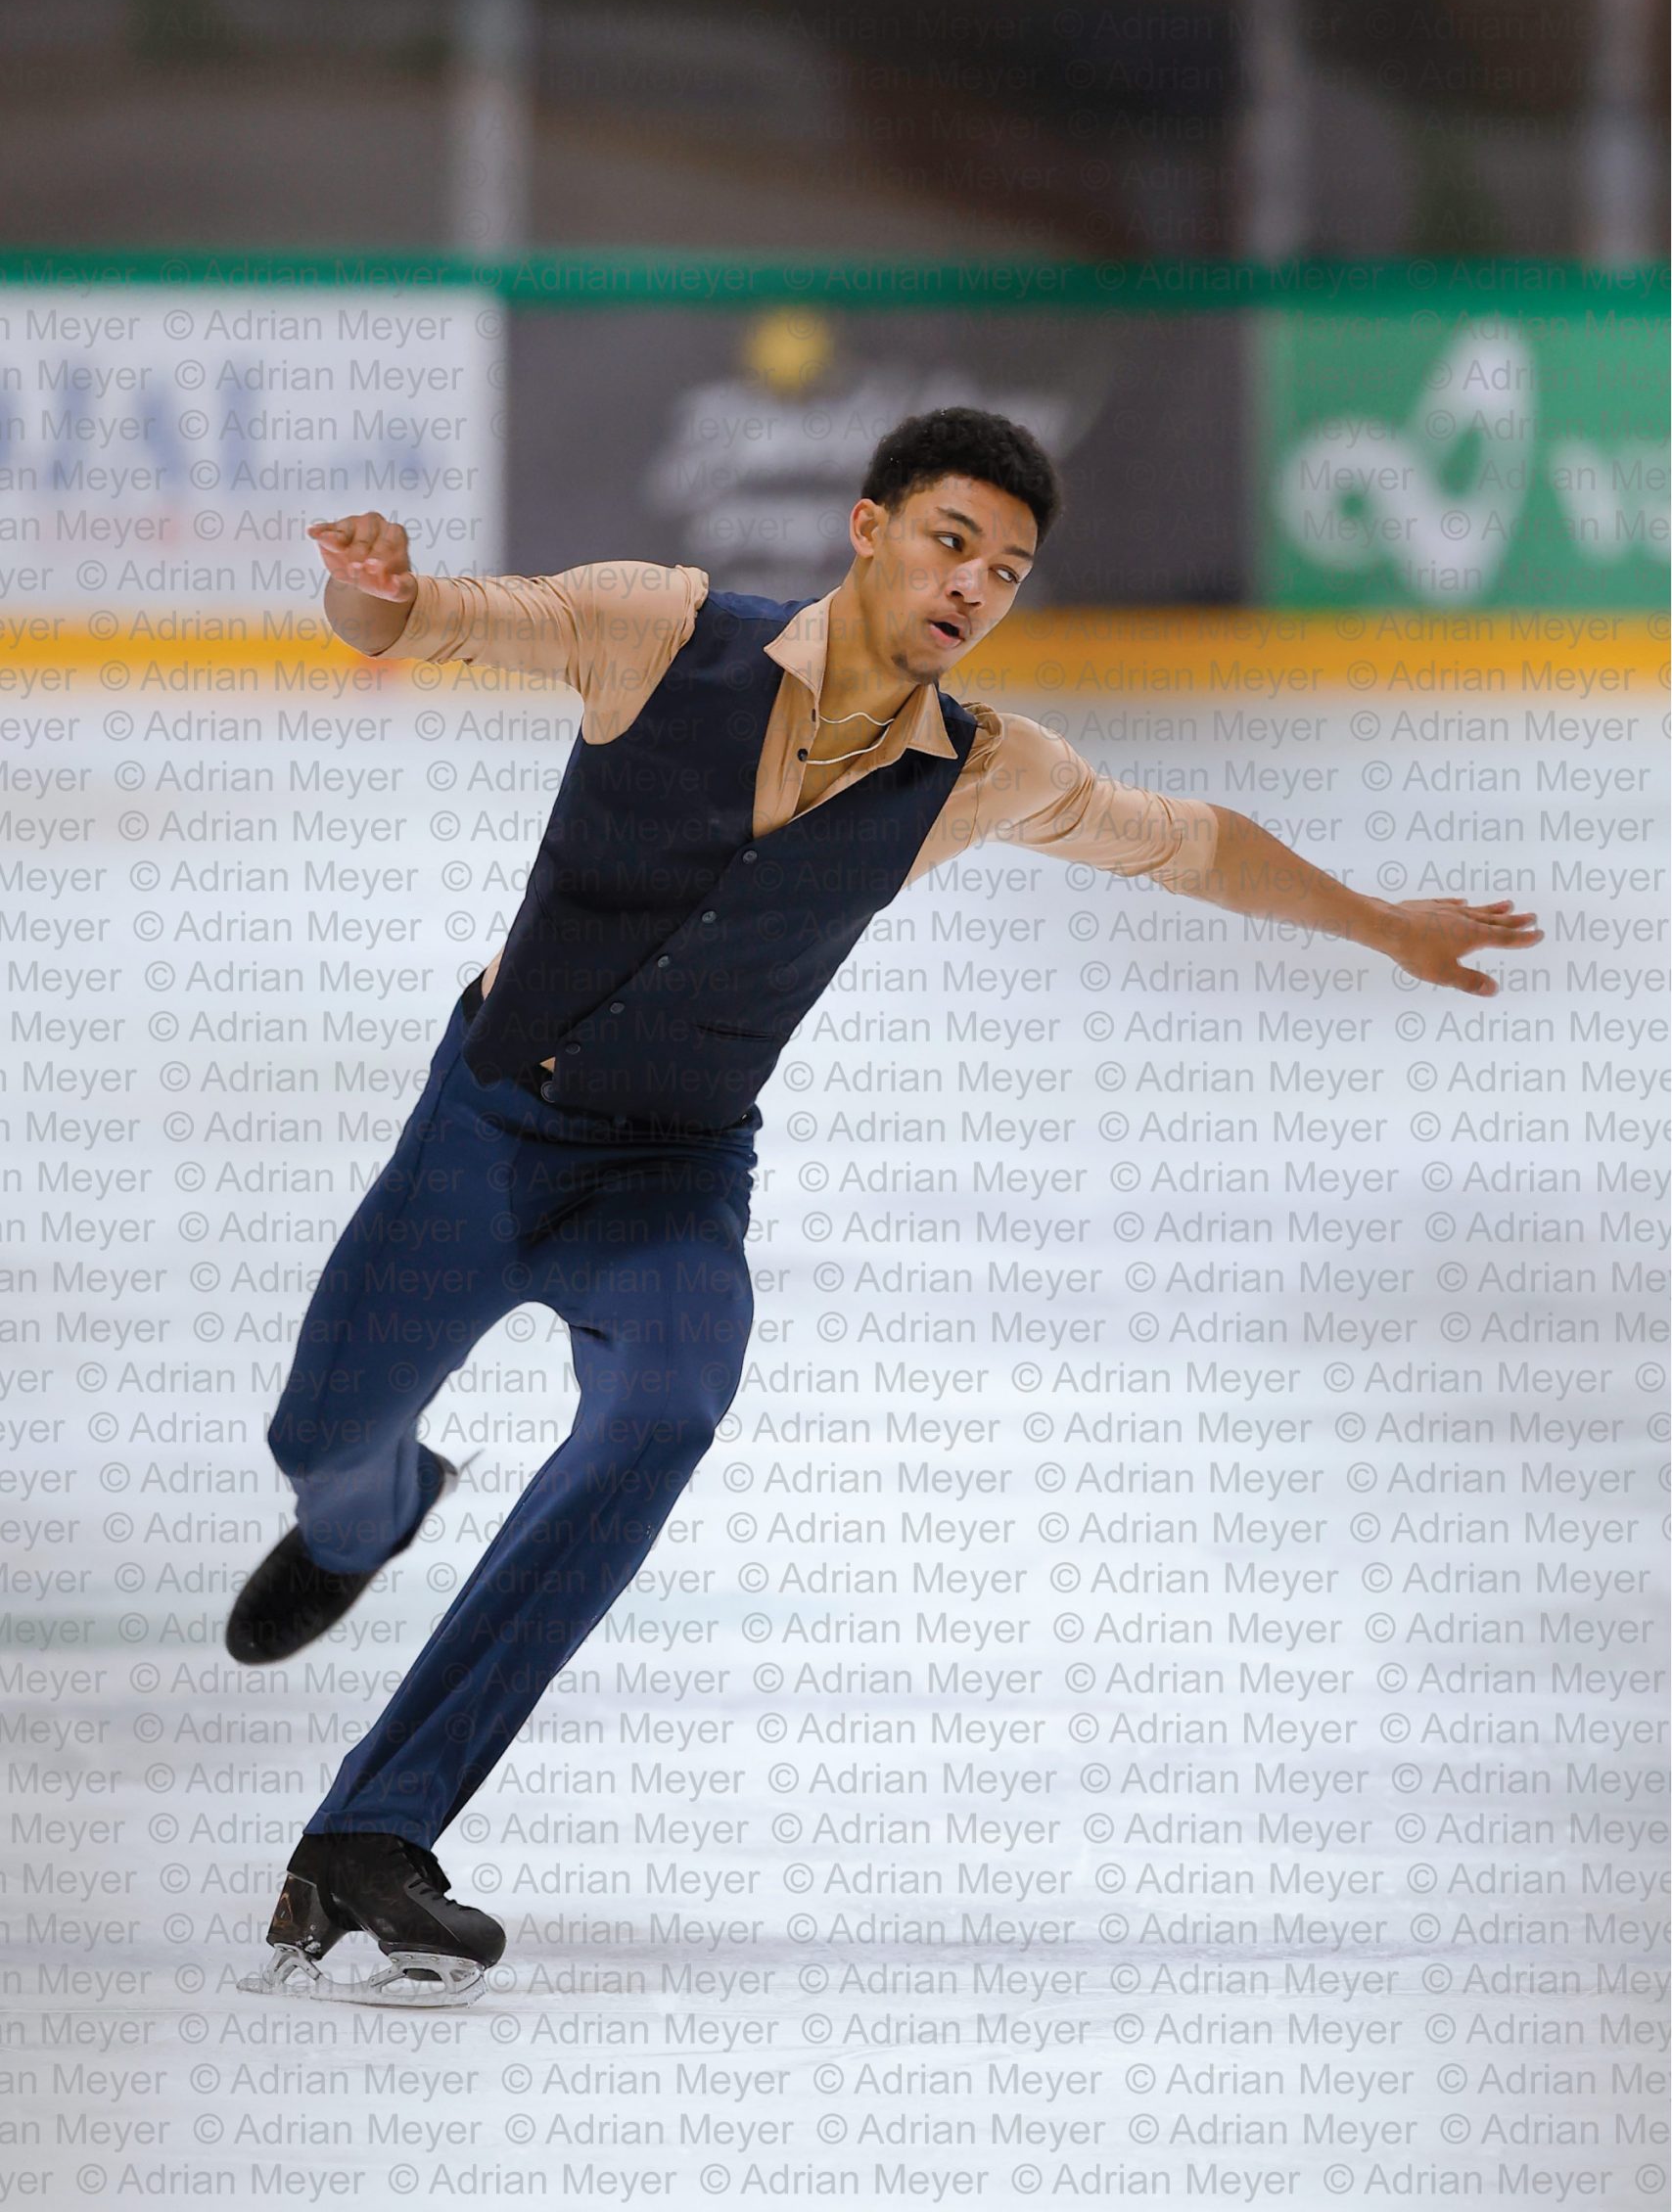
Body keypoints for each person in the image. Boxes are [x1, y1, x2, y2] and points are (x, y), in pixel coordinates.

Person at [228, 405, 1541, 2005]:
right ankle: (365, 1509)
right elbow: (429, 619)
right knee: (324, 1433)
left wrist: (1378, 923)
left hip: (673, 1178)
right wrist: (368, 587)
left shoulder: (983, 773)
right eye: (951, 541)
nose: (975, 584)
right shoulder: (663, 630)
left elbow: (1187, 845)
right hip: (487, 1131)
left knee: (665, 1409)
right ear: (867, 530)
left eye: (1008, 569)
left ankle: (372, 1837)